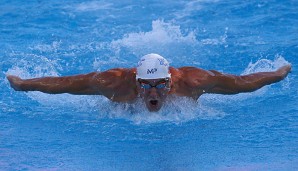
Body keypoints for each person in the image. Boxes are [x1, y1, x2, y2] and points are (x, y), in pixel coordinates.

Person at [7, 53, 291, 112]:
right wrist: (23, 83)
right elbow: (66, 83)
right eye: (146, 85)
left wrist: (276, 74)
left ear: (170, 79)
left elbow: (241, 83)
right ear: (135, 78)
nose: (152, 93)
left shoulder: (192, 81)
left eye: (159, 85)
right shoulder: (115, 83)